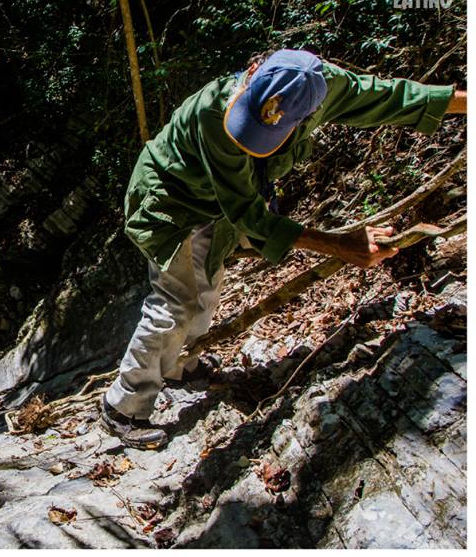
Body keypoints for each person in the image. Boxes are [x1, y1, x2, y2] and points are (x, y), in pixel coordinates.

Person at [101, 48, 467, 449]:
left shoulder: (325, 89)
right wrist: (338, 245)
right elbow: (247, 214)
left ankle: (179, 367)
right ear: (254, 69)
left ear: (308, 115)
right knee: (176, 300)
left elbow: (396, 97)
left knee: (207, 286)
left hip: (214, 205)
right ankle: (123, 406)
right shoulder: (212, 113)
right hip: (167, 200)